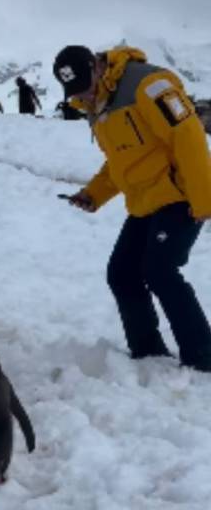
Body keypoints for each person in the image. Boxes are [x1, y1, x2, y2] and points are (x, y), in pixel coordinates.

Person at [55, 45, 211, 371]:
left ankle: (203, 357)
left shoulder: (149, 85)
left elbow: (190, 137)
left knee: (160, 270)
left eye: (86, 84)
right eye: (76, 90)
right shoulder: (96, 104)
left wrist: (203, 197)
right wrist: (93, 194)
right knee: (122, 273)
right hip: (146, 201)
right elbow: (121, 160)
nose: (83, 95)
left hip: (180, 194)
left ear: (97, 66)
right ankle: (148, 354)